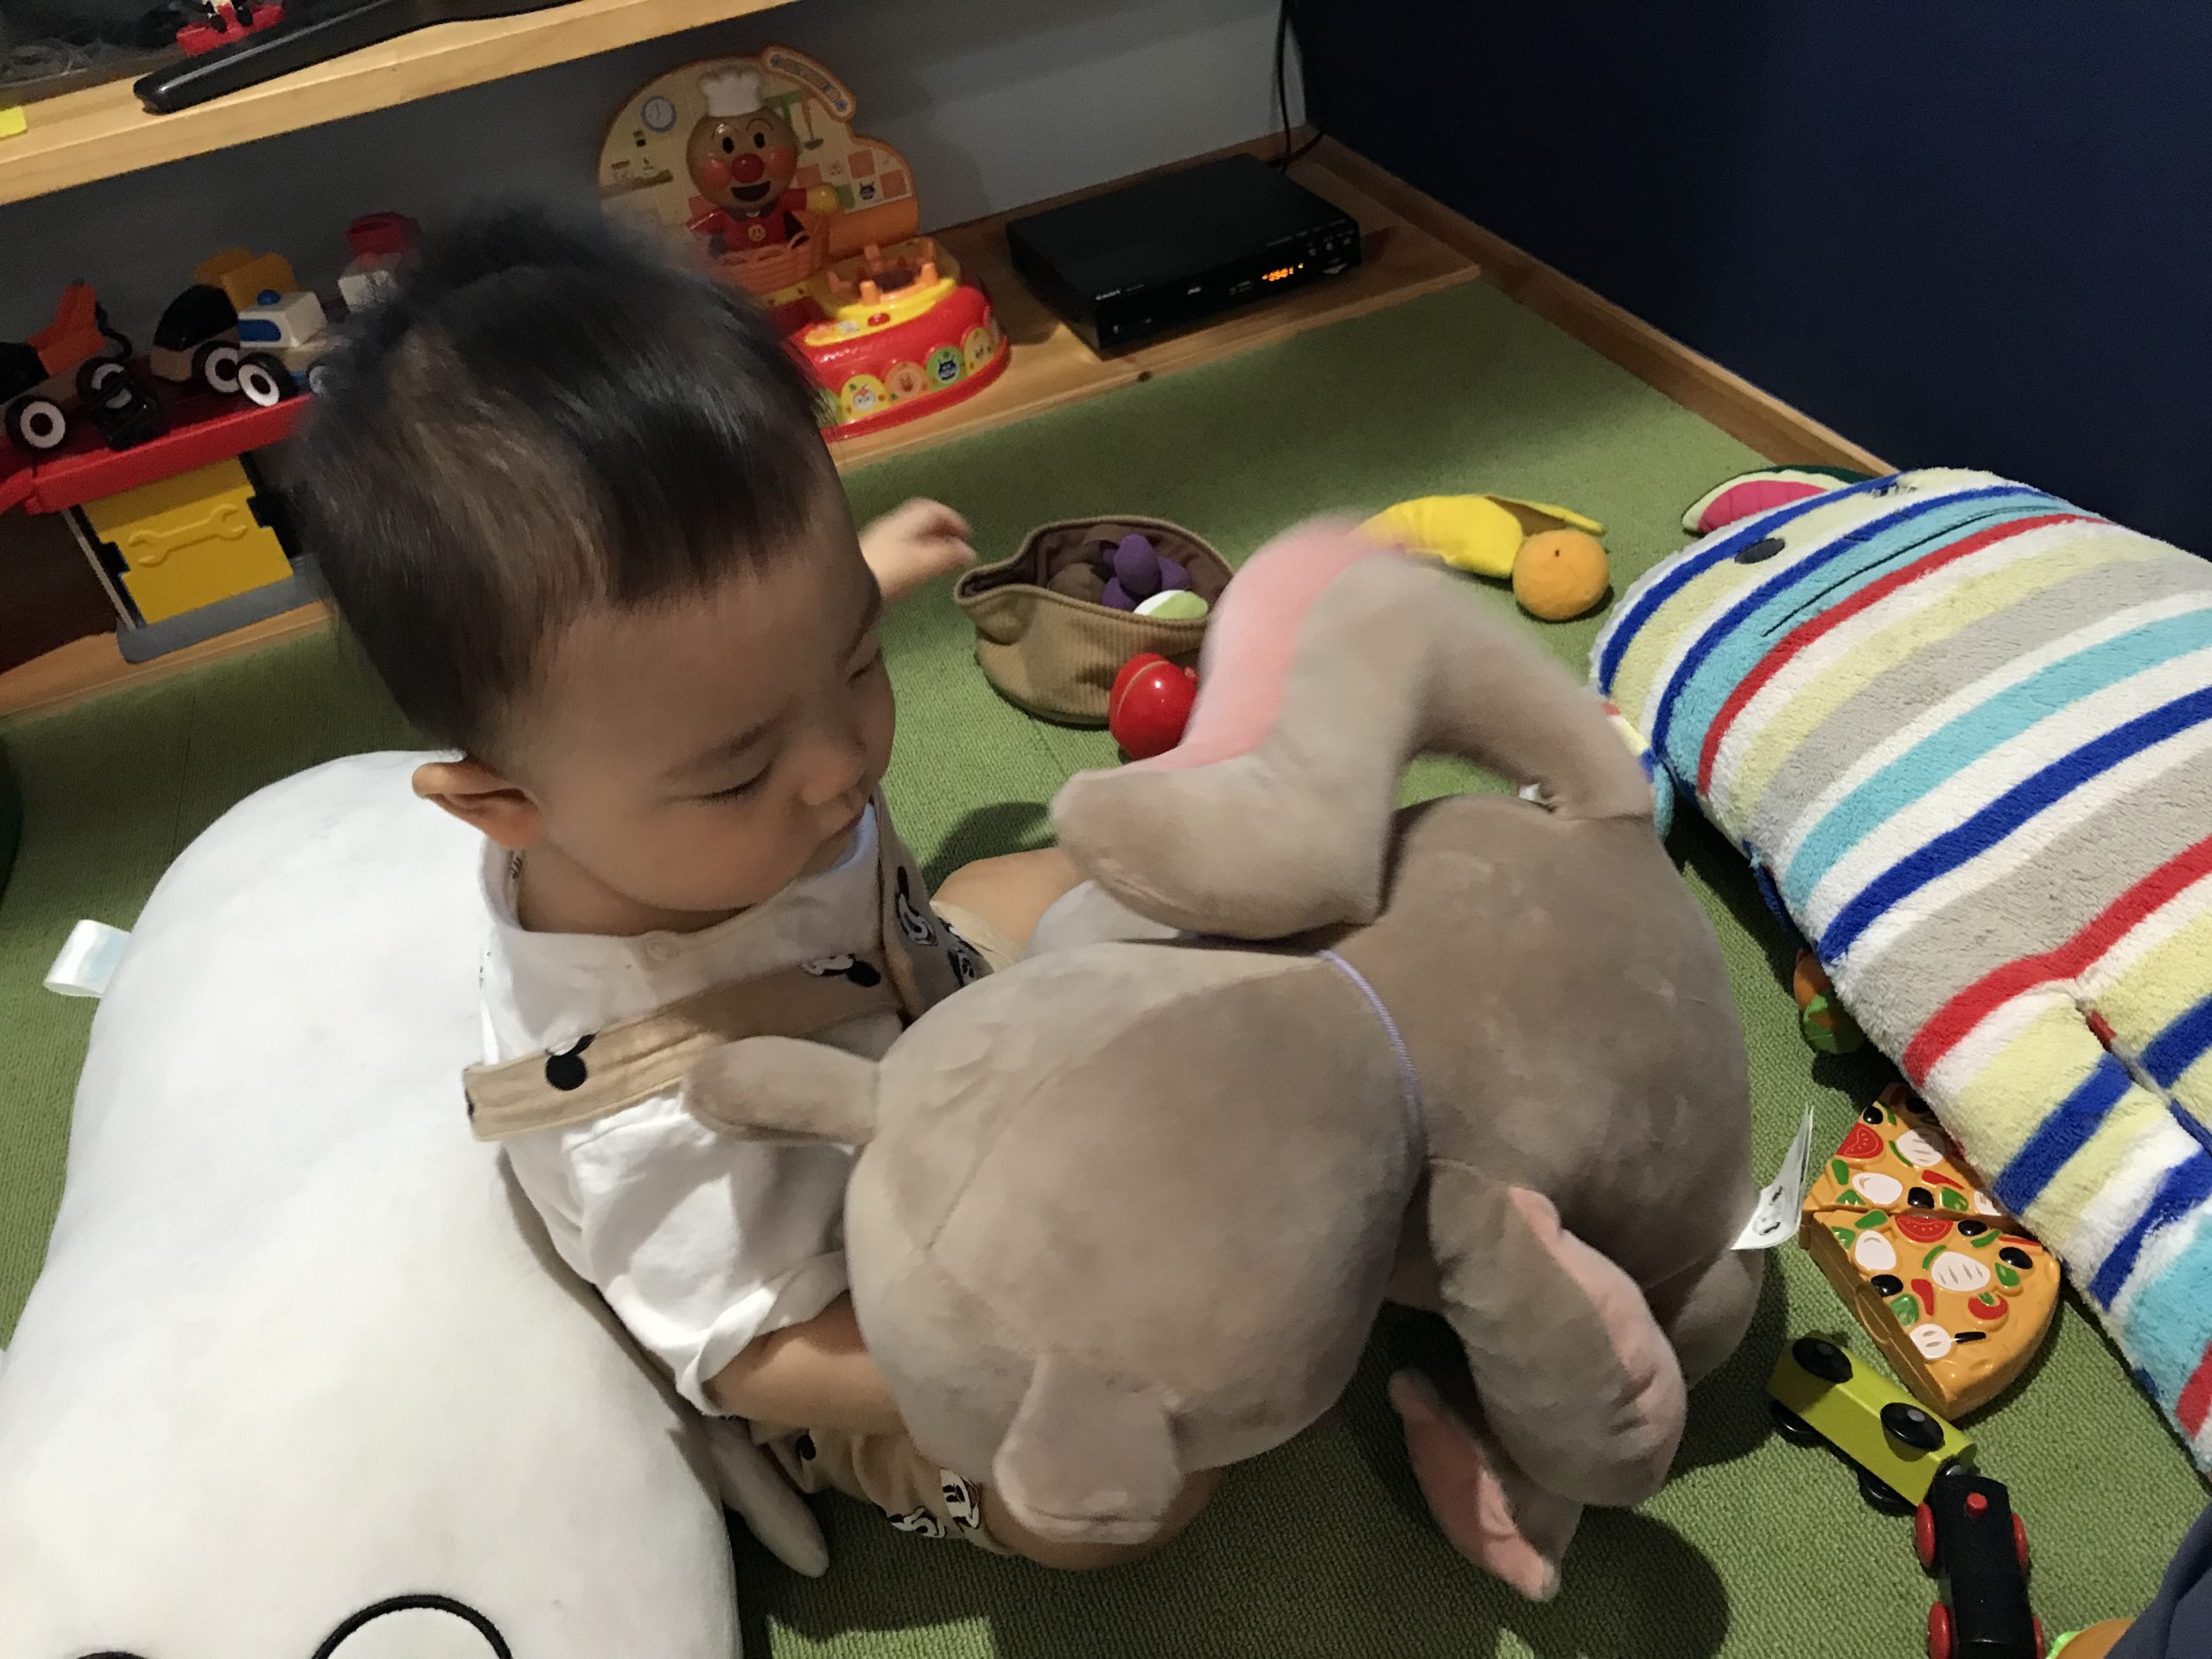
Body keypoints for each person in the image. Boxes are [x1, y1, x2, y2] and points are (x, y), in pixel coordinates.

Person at [293, 207, 1208, 1568]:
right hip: (864, 1307)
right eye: (738, 768)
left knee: (1101, 866)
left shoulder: (717, 710)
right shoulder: (640, 1116)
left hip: (914, 991)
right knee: (1122, 1503)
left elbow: (758, 660)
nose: (840, 767)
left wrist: (844, 599)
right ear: (508, 806)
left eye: (855, 660)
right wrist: (1014, 1367)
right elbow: (757, 1351)